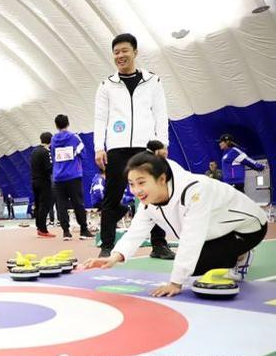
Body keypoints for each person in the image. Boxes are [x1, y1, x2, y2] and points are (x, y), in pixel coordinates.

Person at [83, 140, 267, 298]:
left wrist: (175, 283)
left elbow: (191, 237)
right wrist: (114, 257)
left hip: (247, 228)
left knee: (194, 266)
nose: (136, 190)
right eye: (131, 184)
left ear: (161, 179)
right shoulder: (149, 200)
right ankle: (230, 252)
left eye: (141, 182)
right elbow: (135, 232)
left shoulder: (194, 190)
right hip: (215, 232)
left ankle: (242, 253)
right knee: (193, 265)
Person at [93, 32, 175, 260]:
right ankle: (107, 245)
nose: (120, 55)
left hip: (146, 147)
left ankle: (159, 245)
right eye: (116, 52)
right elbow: (100, 118)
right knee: (111, 198)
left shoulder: (153, 81)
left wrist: (162, 143)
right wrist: (99, 147)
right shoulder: (106, 86)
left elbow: (161, 114)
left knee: (154, 195)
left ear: (135, 52)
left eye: (124, 51)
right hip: (117, 149)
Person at [51, 114, 94, 240]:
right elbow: (83, 153)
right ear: (68, 123)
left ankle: (66, 232)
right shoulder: (74, 137)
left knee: (61, 204)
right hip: (73, 175)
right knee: (78, 203)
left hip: (58, 176)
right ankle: (83, 230)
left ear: (56, 125)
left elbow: (53, 155)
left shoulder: (53, 140)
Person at [31, 132, 55, 238]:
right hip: (44, 182)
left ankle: (38, 227)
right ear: (51, 140)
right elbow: (49, 168)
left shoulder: (34, 151)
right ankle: (43, 229)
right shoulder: (46, 152)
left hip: (34, 181)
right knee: (44, 206)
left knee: (38, 205)